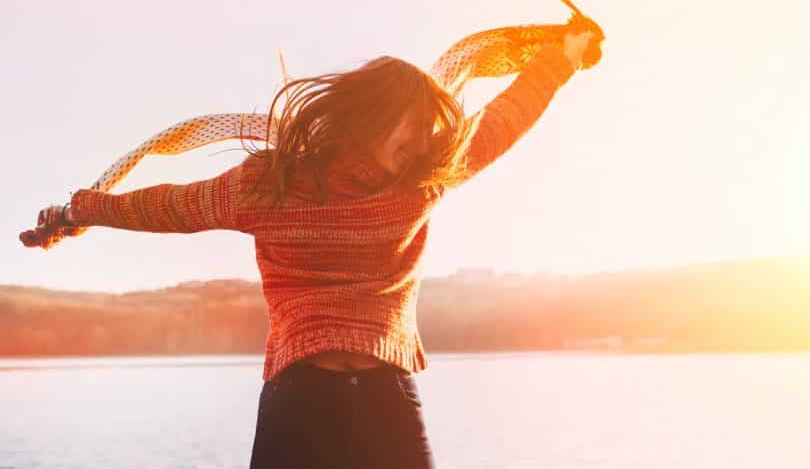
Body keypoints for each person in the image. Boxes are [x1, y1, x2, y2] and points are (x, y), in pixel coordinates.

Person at [36, 30, 597, 468]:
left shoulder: (419, 182)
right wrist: (77, 212)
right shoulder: (271, 184)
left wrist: (563, 59)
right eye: (411, 130)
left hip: (383, 395)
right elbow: (168, 207)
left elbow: (502, 122)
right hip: (306, 398)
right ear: (374, 114)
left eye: (424, 136)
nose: (419, 144)